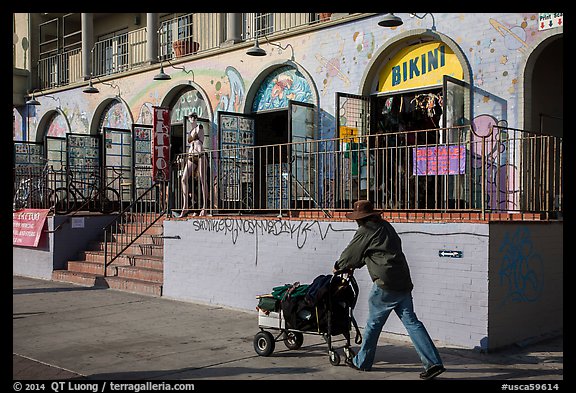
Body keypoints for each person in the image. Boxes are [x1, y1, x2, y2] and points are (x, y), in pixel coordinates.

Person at [334, 200, 445, 380]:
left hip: (385, 286)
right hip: (402, 282)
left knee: (372, 325)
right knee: (412, 323)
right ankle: (433, 363)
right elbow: (377, 253)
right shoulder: (385, 226)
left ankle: (362, 362)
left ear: (360, 219)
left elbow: (349, 256)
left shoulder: (366, 230)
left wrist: (338, 266)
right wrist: (361, 261)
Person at [180, 113, 207, 216]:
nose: (190, 119)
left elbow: (200, 142)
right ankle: (185, 206)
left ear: (195, 118)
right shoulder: (191, 131)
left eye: (192, 117)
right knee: (184, 178)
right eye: (189, 118)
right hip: (191, 156)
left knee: (202, 179)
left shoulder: (199, 127)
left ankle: (205, 207)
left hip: (200, 154)